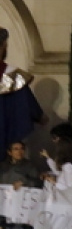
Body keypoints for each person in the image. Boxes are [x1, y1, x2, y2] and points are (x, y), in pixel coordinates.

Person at [0, 27, 46, 156]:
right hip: (7, 131)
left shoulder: (13, 75)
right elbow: (27, 102)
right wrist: (39, 116)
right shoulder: (13, 75)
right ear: (4, 46)